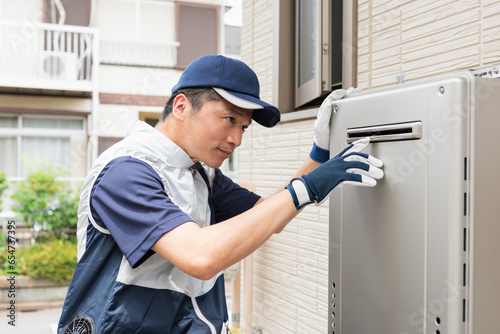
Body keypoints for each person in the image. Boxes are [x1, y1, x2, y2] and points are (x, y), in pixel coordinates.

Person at [57, 55, 383, 334]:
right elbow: (200, 257)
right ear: (182, 107)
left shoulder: (199, 172)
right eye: (229, 119)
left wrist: (319, 155)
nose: (236, 139)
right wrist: (305, 189)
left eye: (243, 127)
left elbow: (270, 215)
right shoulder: (126, 172)